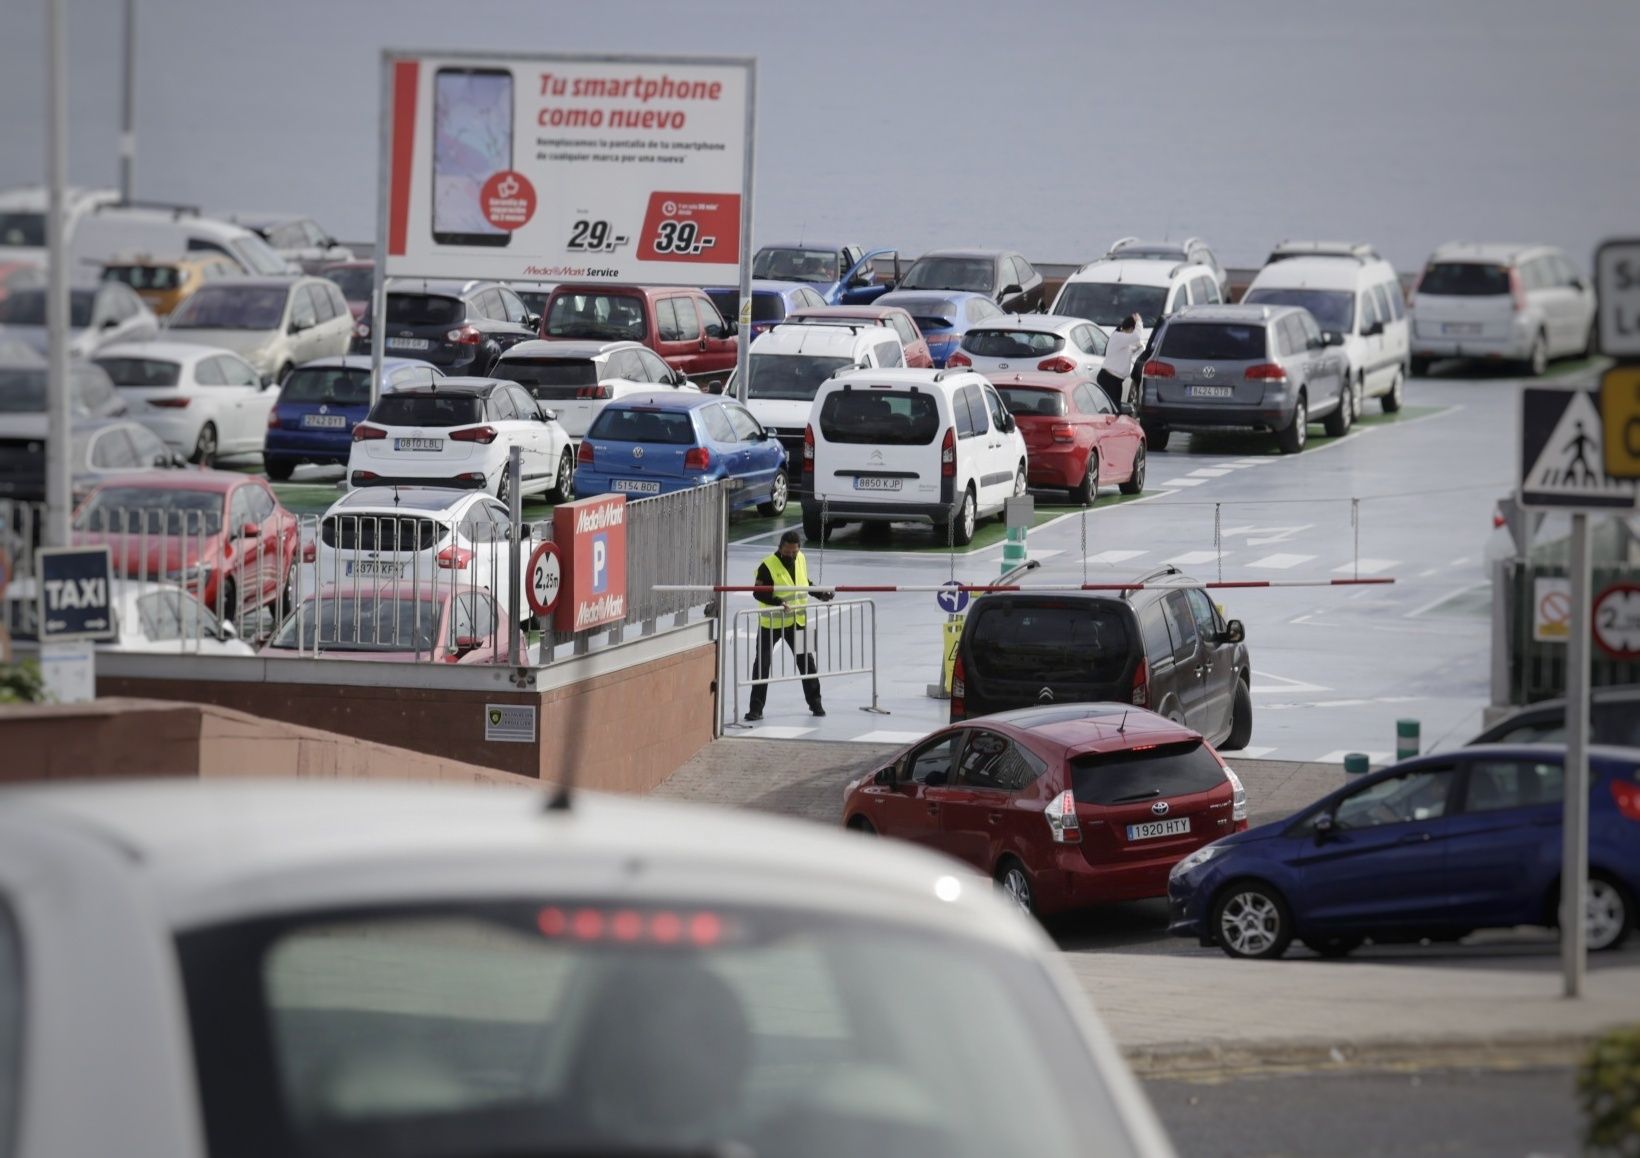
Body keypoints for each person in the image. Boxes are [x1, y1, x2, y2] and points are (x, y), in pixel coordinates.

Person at [747, 530, 833, 720]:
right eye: (788, 553)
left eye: (794, 552)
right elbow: (758, 592)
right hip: (771, 623)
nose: (791, 556)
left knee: (807, 663)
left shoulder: (801, 558)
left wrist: (820, 594)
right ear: (780, 548)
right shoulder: (767, 565)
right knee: (762, 664)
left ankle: (816, 704)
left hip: (798, 621)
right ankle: (756, 709)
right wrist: (778, 602)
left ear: (798, 549)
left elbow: (803, 583)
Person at [1097, 313, 1144, 408]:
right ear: (1131, 329)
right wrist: (1139, 322)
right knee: (1112, 411)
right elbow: (1137, 337)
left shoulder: (1121, 339)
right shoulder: (1118, 336)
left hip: (1115, 381)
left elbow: (1133, 347)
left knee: (1113, 410)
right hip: (1109, 380)